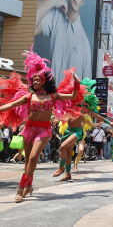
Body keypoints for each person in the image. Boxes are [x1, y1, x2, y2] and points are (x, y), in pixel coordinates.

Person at [0, 48, 85, 203]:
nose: (35, 81)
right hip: (29, 129)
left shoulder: (54, 96)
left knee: (33, 157)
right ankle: (28, 186)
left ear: (45, 81)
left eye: (39, 79)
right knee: (27, 162)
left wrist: (76, 82)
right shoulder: (29, 96)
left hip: (44, 130)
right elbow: (10, 105)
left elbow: (73, 96)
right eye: (34, 80)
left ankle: (20, 188)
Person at [35, 0, 91, 84]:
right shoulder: (55, 16)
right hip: (52, 96)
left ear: (82, 1)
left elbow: (86, 88)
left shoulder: (84, 43)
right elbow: (30, 25)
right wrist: (52, 0)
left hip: (70, 98)